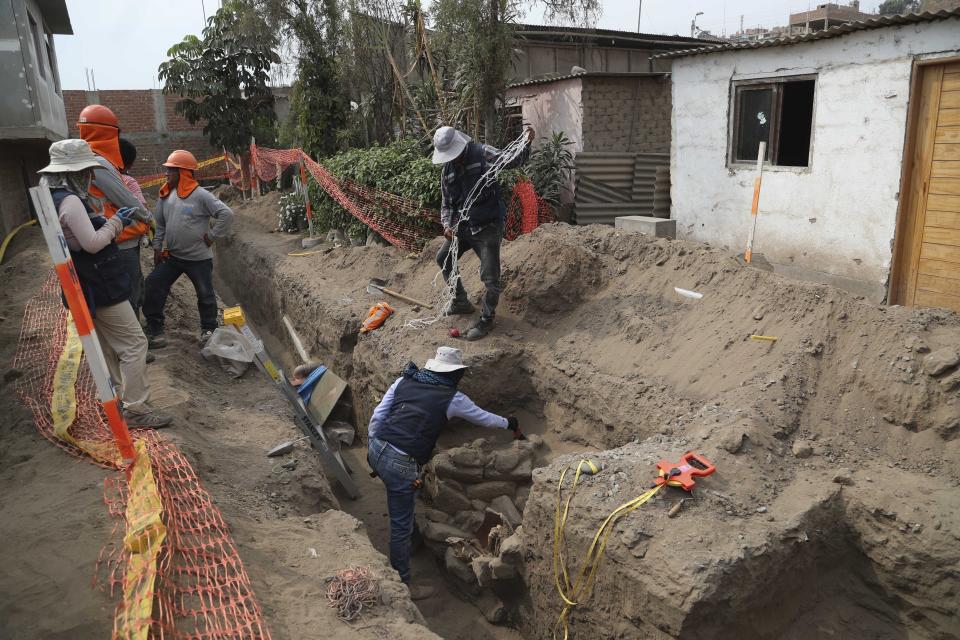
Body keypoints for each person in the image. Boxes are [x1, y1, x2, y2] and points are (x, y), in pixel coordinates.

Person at [38, 139, 172, 429]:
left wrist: (100, 218)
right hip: (100, 283)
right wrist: (115, 224)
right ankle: (136, 409)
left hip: (83, 284)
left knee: (110, 348)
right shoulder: (71, 201)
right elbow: (93, 244)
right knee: (135, 344)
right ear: (75, 172)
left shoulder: (51, 196)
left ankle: (116, 402)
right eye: (86, 171)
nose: (90, 177)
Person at [367, 346, 520, 596]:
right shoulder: (452, 398)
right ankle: (403, 583)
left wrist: (378, 446)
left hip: (376, 450)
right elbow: (483, 418)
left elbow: (377, 416)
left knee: (400, 499)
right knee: (400, 524)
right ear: (453, 374)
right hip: (400, 461)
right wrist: (509, 422)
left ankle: (414, 541)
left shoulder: (403, 382)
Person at [432, 126, 534, 341]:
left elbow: (512, 160)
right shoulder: (447, 172)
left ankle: (487, 319)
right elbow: (447, 204)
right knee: (443, 258)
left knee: (490, 276)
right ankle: (460, 301)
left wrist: (526, 142)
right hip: (463, 227)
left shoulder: (482, 153)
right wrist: (447, 224)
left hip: (487, 226)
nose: (454, 159)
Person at [143, 150, 233, 348]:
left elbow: (226, 214)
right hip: (173, 257)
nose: (166, 174)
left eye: (170, 170)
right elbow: (160, 224)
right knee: (153, 285)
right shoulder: (166, 195)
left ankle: (208, 329)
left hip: (199, 259)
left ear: (183, 172)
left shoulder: (201, 196)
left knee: (205, 294)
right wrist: (157, 247)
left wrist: (211, 236)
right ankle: (154, 328)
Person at [78, 105, 153, 319]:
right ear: (108, 133)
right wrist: (148, 219)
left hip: (111, 235)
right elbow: (125, 198)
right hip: (120, 240)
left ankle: (134, 340)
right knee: (129, 294)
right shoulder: (98, 162)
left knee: (129, 291)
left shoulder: (85, 158)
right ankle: (135, 345)